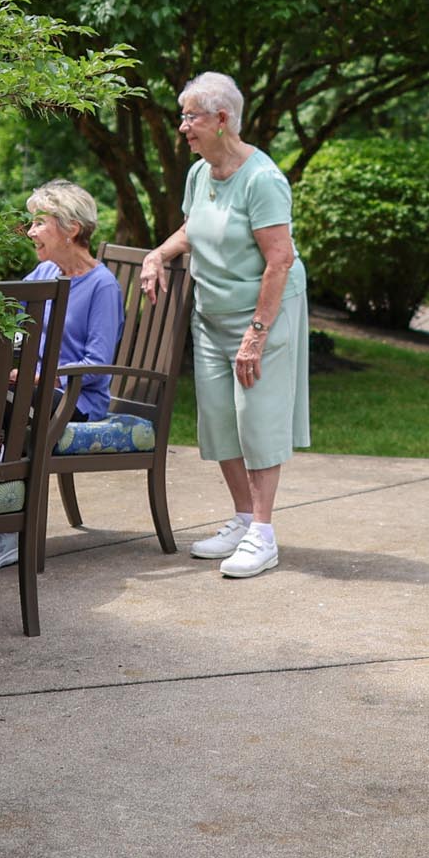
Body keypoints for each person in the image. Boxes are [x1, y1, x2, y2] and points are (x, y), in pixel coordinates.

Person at [137, 72, 307, 580]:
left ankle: (263, 533)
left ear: (221, 119)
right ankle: (240, 519)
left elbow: (279, 260)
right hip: (210, 316)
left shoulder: (262, 179)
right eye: (183, 117)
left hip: (261, 314)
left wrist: (256, 335)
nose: (183, 128)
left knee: (255, 418)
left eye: (190, 117)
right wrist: (158, 254)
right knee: (218, 419)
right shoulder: (200, 173)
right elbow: (194, 228)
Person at [0, 178, 126, 576]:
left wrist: (39, 377)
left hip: (76, 401)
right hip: (33, 389)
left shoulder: (102, 286)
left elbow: (95, 364)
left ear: (71, 229)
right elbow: (5, 323)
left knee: (2, 406)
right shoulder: (44, 272)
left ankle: (7, 533)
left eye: (39, 222)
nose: (30, 231)